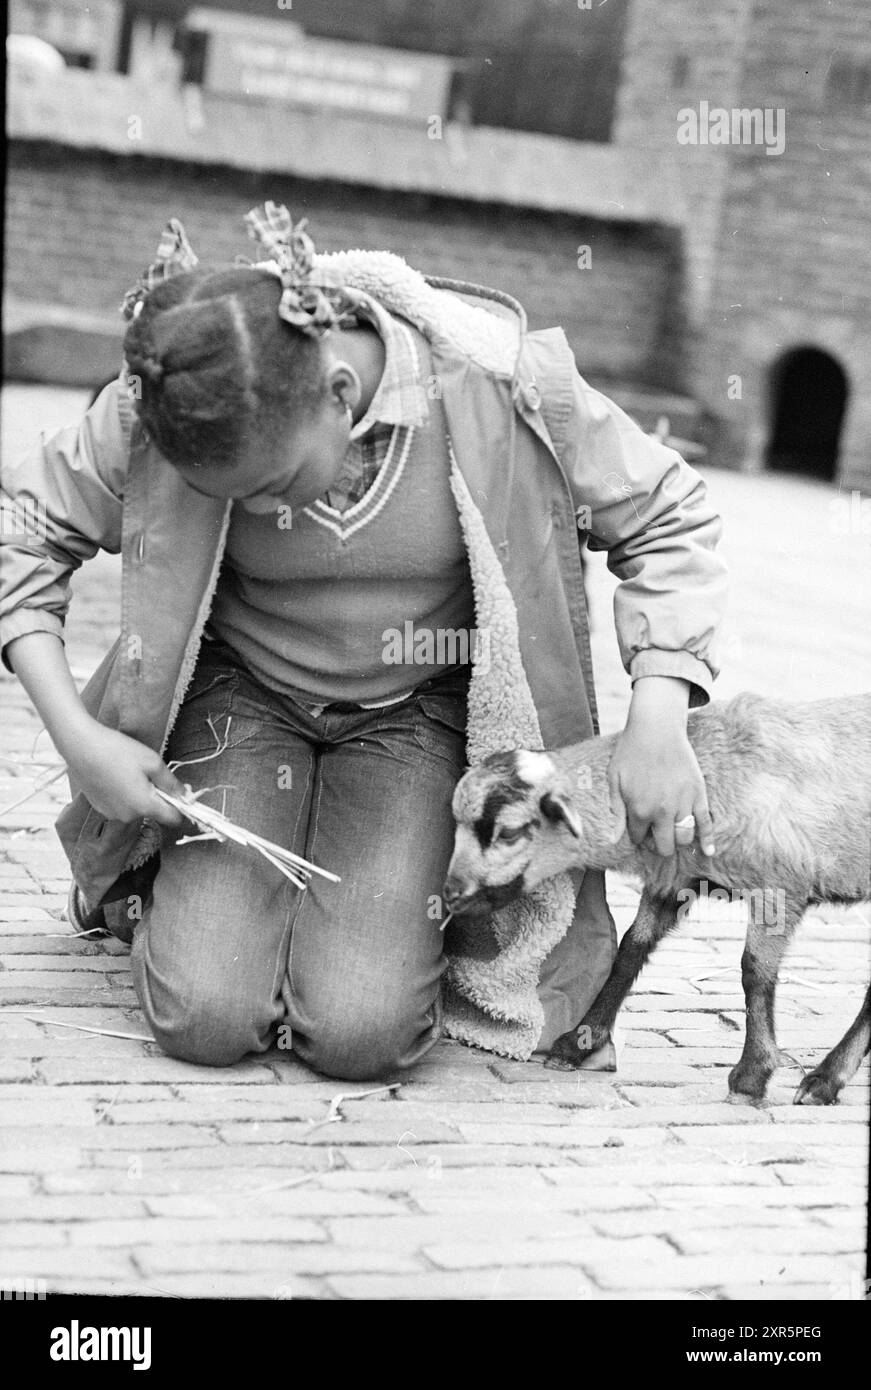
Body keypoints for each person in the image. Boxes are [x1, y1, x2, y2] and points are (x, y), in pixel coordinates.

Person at [0, 204, 729, 1079]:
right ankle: (157, 888)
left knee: (360, 1034)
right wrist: (82, 744)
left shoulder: (500, 387)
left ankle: (319, 913)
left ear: (341, 395)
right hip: (238, 705)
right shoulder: (164, 404)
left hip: (411, 716)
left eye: (268, 484)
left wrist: (659, 717)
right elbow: (24, 535)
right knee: (205, 1017)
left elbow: (670, 514)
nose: (258, 509)